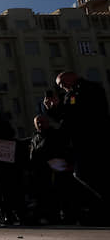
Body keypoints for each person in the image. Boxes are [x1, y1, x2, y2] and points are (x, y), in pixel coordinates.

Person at [44, 71, 110, 222]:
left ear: (70, 78)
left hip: (95, 139)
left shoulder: (90, 89)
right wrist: (52, 109)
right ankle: (101, 210)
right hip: (80, 142)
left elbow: (82, 113)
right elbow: (66, 119)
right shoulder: (70, 95)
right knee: (86, 174)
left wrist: (61, 107)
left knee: (91, 174)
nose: (62, 87)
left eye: (61, 84)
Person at [29, 115, 77, 225]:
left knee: (61, 194)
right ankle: (53, 217)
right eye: (38, 123)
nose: (40, 124)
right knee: (46, 196)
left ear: (48, 122)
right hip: (42, 172)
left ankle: (67, 217)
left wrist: (70, 163)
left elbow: (66, 149)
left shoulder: (56, 134)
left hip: (58, 170)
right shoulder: (35, 137)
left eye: (42, 122)